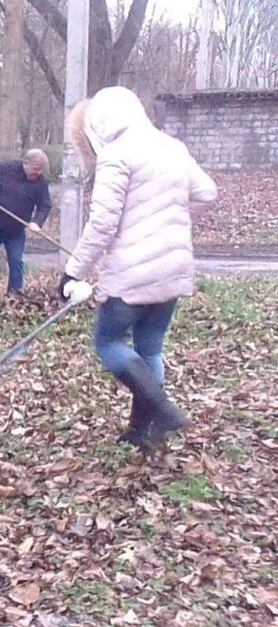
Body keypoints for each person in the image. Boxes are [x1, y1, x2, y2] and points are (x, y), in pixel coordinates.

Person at [58, 86, 217, 448]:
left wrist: (74, 272)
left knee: (108, 342)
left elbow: (102, 223)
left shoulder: (116, 155)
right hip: (172, 270)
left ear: (99, 123)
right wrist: (167, 218)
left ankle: (163, 409)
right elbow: (207, 192)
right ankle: (139, 434)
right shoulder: (172, 147)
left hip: (130, 276)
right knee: (150, 349)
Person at [0, 149, 52, 307]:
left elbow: (45, 205)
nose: (38, 172)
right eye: (35, 168)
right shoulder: (5, 169)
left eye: (41, 169)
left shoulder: (40, 182)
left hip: (16, 232)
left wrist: (37, 222)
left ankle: (14, 301)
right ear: (25, 163)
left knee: (16, 264)